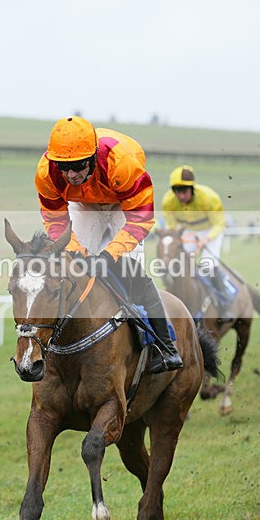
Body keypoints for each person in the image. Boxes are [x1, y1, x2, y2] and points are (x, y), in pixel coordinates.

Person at [35, 116, 183, 374]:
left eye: (79, 166)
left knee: (130, 274)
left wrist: (108, 255)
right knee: (70, 266)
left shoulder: (121, 164)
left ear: (92, 157)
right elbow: (56, 224)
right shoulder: (47, 174)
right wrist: (78, 253)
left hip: (123, 202)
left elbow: (140, 219)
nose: (71, 174)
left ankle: (164, 346)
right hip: (84, 204)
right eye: (63, 167)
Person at [160, 165, 235, 319]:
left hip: (210, 230)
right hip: (188, 231)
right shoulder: (168, 201)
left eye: (184, 191)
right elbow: (172, 228)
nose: (180, 196)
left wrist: (205, 240)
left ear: (192, 189)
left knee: (208, 264)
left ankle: (224, 301)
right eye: (177, 191)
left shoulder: (209, 198)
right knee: (180, 264)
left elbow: (219, 224)